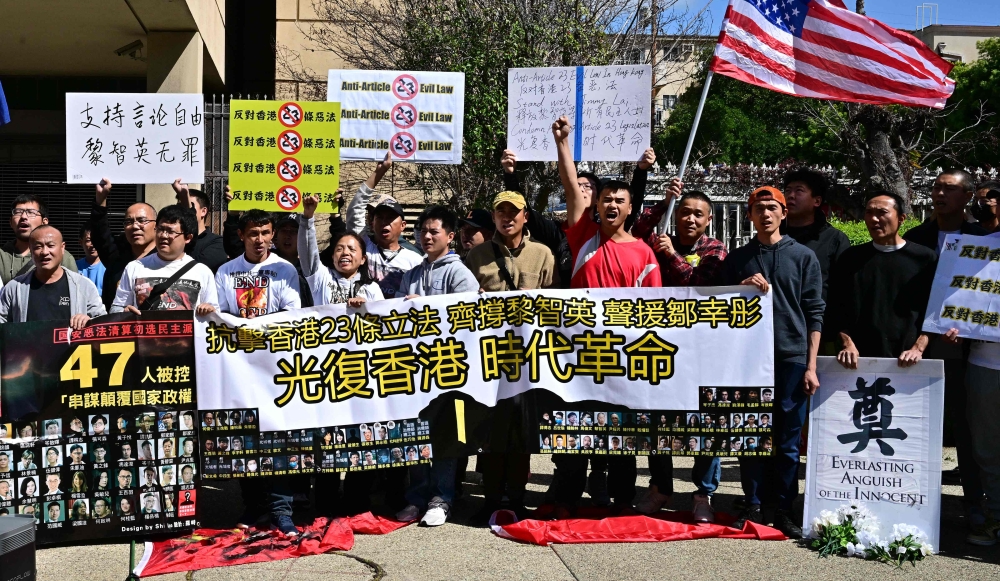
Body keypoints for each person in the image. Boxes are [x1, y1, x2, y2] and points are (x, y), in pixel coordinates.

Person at [550, 115, 661, 517]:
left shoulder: (645, 255)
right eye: (606, 199)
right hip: (578, 357)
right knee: (575, 432)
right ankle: (566, 498)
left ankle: (621, 502)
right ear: (595, 205)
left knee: (622, 437)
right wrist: (563, 143)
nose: (612, 205)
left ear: (631, 208)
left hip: (625, 360)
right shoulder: (583, 236)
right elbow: (569, 184)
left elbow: (655, 314)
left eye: (620, 200)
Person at [723, 186, 823, 538]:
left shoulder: (804, 257)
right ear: (749, 215)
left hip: (792, 356)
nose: (765, 214)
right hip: (749, 360)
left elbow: (814, 312)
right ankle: (751, 502)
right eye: (758, 208)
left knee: (788, 439)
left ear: (783, 213)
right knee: (751, 432)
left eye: (772, 208)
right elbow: (718, 310)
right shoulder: (737, 259)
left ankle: (782, 506)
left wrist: (811, 365)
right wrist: (740, 287)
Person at [632, 189, 727, 522]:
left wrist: (672, 255)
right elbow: (634, 231)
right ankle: (660, 488)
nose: (690, 218)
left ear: (708, 219)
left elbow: (699, 286)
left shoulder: (714, 249)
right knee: (659, 423)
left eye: (698, 214)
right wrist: (662, 202)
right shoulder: (657, 242)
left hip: (702, 352)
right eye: (684, 211)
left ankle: (703, 493)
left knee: (706, 422)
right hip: (661, 349)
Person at [465, 190, 557, 522]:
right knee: (490, 433)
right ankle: (490, 498)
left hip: (528, 361)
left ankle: (516, 498)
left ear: (525, 216)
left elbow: (554, 304)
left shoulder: (542, 254)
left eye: (513, 211)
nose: (507, 217)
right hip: (488, 360)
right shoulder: (476, 256)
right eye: (501, 212)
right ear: (494, 217)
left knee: (521, 434)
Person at [903, 168, 989, 526]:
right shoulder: (915, 238)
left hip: (967, 350)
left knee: (967, 430)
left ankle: (974, 505)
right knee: (917, 428)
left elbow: (987, 296)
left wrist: (972, 327)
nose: (940, 194)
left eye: (950, 189)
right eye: (937, 188)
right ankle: (912, 500)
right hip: (917, 349)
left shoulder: (985, 238)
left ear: (968, 196)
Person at [215, 209, 302, 536]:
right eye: (254, 234)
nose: (261, 240)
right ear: (241, 235)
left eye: (267, 233)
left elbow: (292, 316)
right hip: (240, 373)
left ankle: (282, 511)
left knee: (280, 443)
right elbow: (221, 317)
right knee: (245, 443)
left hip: (276, 372)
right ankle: (252, 508)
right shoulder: (225, 271)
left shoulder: (284, 269)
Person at [395, 205, 477, 528]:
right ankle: (417, 497)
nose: (427, 237)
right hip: (414, 371)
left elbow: (469, 313)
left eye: (434, 231)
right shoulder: (412, 274)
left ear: (450, 236)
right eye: (423, 231)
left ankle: (442, 498)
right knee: (416, 435)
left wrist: (425, 306)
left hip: (449, 369)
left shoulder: (459, 272)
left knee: (446, 437)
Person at [500, 146, 656, 287]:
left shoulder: (607, 230)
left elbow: (629, 206)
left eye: (588, 186)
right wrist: (510, 175)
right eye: (577, 185)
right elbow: (525, 211)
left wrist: (641, 171)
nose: (581, 190)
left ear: (598, 199)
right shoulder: (557, 232)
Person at [828, 193, 937, 369]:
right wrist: (847, 343)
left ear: (901, 218)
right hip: (857, 359)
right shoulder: (851, 258)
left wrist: (919, 347)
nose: (874, 219)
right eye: (869, 213)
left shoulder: (925, 259)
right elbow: (836, 307)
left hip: (910, 359)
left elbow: (934, 309)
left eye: (882, 212)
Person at [111, 205, 219, 315]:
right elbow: (116, 308)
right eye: (160, 229)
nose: (163, 235)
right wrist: (123, 312)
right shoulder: (135, 267)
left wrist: (209, 310)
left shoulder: (202, 272)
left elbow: (215, 314)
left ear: (188, 238)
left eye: (171, 231)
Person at [343, 152, 423, 298]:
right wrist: (380, 171)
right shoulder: (363, 247)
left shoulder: (416, 261)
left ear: (403, 225)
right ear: (372, 223)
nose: (384, 222)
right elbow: (355, 210)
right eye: (380, 217)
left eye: (391, 218)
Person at [0, 225, 105, 326]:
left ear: (62, 248)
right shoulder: (14, 288)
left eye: (51, 246)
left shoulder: (84, 286)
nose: (45, 252)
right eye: (38, 247)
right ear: (31, 251)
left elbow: (102, 321)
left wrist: (89, 321)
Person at [780, 168, 850, 301]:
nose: (791, 196)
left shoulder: (834, 240)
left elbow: (845, 287)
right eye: (788, 190)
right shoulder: (772, 237)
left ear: (817, 201)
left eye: (799, 191)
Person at [299, 197, 384, 306]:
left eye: (352, 249)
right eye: (339, 249)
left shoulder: (372, 288)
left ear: (363, 259)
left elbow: (382, 317)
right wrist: (307, 217)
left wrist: (366, 307)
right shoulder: (321, 278)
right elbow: (307, 251)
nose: (345, 253)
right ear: (333, 257)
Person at [90, 179, 158, 309]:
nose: (135, 226)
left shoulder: (165, 259)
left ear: (156, 225)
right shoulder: (117, 258)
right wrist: (100, 200)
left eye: (142, 220)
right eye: (128, 222)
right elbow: (100, 236)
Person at [0, 195, 78, 285]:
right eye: (18, 212)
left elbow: (74, 291)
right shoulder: (2, 256)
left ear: (44, 222)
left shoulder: (61, 256)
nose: (24, 217)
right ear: (10, 222)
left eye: (31, 212)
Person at [171, 179, 229, 272]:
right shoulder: (171, 238)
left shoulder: (218, 243)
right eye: (179, 205)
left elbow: (195, 268)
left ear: (203, 211)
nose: (182, 210)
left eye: (190, 205)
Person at [75, 226, 106, 295]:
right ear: (81, 242)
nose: (93, 245)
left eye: (96, 240)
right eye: (88, 240)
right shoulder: (75, 266)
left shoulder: (108, 267)